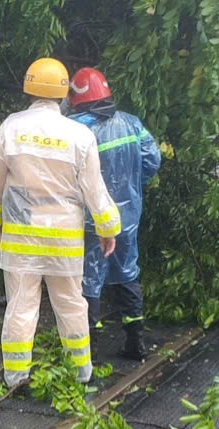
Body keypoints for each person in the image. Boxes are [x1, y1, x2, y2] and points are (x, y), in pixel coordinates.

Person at [0, 58, 122, 388]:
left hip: (20, 240)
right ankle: (81, 373)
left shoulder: (11, 128)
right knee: (71, 305)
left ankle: (16, 378)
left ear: (28, 87)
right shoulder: (79, 135)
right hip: (64, 243)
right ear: (63, 94)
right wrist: (108, 228)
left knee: (21, 307)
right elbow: (95, 190)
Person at [67, 67, 161, 361]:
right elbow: (152, 161)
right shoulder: (132, 124)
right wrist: (131, 187)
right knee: (127, 274)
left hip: (90, 219)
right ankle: (136, 342)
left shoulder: (75, 129)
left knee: (89, 280)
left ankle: (87, 352)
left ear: (77, 96)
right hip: (128, 217)